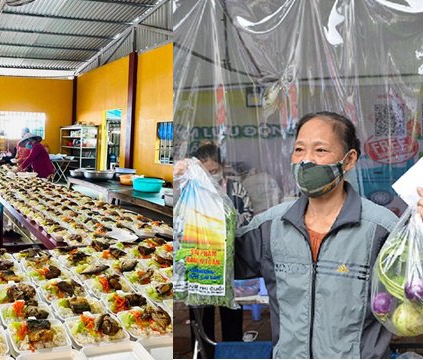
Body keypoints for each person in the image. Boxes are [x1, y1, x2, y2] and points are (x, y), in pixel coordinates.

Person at [235, 111, 423, 358]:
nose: (306, 161)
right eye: (299, 150)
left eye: (320, 151)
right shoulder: (271, 226)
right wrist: (196, 207)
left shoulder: (380, 229)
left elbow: (414, 292)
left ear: (349, 160)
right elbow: (221, 263)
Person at [176, 143, 254, 358]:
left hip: (230, 259)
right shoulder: (191, 188)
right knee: (202, 311)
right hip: (201, 260)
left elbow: (248, 215)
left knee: (231, 310)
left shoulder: (235, 188)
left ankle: (233, 351)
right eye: (205, 172)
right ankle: (203, 353)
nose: (210, 177)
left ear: (223, 166)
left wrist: (226, 227)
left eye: (213, 172)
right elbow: (182, 223)